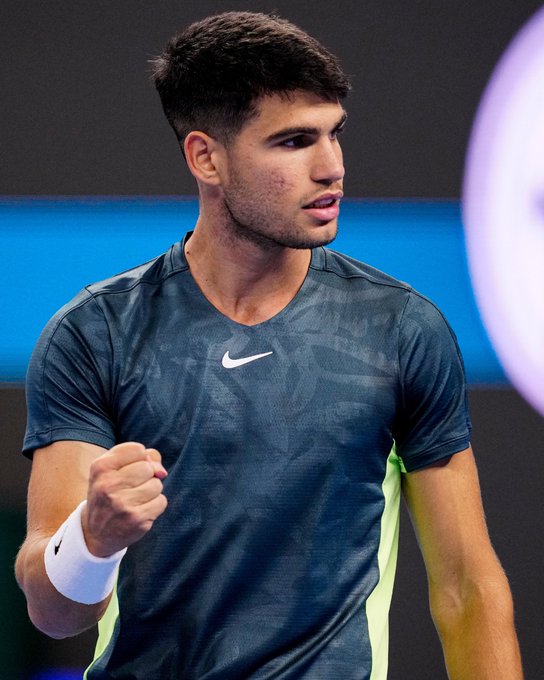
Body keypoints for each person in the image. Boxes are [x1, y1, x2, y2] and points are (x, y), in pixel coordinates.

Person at [15, 11, 523, 679]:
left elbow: (466, 590)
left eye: (333, 133)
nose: (331, 167)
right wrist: (92, 538)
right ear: (206, 157)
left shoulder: (402, 328)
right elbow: (55, 613)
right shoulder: (94, 333)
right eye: (292, 141)